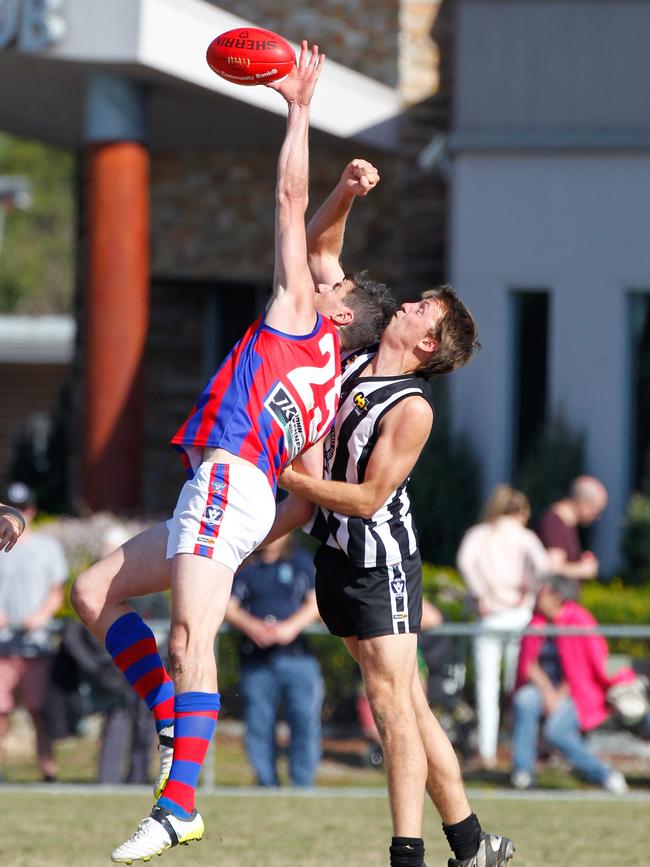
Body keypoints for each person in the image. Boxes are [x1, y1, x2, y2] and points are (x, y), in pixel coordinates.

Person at [71, 42, 396, 865]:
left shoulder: (299, 316)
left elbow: (290, 201)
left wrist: (296, 107)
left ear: (342, 311)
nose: (327, 273)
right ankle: (176, 728)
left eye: (339, 281)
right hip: (231, 494)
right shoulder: (328, 381)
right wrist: (260, 527)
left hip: (230, 483)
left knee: (189, 639)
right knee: (93, 591)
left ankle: (179, 801)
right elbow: (312, 492)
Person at [271, 226, 514, 863]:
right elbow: (323, 257)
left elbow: (367, 499)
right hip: (333, 556)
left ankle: (408, 853)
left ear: (428, 342)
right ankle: (472, 844)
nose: (405, 305)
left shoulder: (411, 407)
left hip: (382, 565)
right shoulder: (349, 358)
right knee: (407, 702)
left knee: (391, 704)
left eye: (419, 310)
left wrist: (292, 478)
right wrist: (348, 193)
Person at [511, 574, 638, 793]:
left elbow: (585, 669)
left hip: (577, 692)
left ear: (557, 596)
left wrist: (558, 696)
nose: (537, 597)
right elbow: (528, 665)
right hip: (545, 690)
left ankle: (604, 773)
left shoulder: (579, 620)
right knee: (524, 700)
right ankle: (522, 771)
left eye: (542, 592)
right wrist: (548, 692)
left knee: (556, 731)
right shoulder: (536, 623)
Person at [457, 484, 550, 769]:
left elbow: (464, 562)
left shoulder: (480, 534)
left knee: (488, 687)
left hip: (489, 614)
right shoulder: (525, 536)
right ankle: (518, 749)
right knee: (517, 684)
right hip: (518, 615)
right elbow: (544, 567)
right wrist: (530, 593)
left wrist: (481, 593)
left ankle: (487, 750)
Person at [225, 533, 323, 787]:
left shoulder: (300, 562)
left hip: (297, 658)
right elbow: (228, 606)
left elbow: (316, 603)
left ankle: (303, 785)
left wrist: (289, 628)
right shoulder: (245, 566)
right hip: (256, 661)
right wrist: (252, 627)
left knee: (303, 721)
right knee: (258, 725)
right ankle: (267, 785)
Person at [0, 482, 67, 782]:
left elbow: (57, 592)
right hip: (2, 644)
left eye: (24, 509)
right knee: (1, 713)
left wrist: (40, 616)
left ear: (32, 512)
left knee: (39, 711)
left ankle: (48, 771)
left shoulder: (46, 547)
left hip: (35, 645)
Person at [536, 476, 607, 582]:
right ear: (583, 503)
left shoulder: (567, 524)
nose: (595, 517)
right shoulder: (555, 524)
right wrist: (583, 570)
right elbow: (553, 569)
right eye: (595, 512)